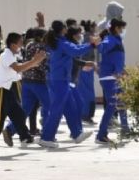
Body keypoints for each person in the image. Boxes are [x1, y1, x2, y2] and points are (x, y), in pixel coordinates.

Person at [0, 32, 46, 157]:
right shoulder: (6, 55)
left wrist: (35, 61)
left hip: (7, 91)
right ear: (13, 44)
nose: (22, 44)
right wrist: (34, 60)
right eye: (20, 42)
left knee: (19, 114)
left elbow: (19, 71)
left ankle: (25, 137)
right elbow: (18, 68)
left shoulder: (12, 55)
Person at [38, 20, 98, 149]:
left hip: (60, 79)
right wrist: (92, 45)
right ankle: (46, 137)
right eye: (65, 27)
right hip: (60, 80)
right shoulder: (61, 43)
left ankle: (77, 134)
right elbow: (76, 51)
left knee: (70, 106)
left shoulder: (57, 41)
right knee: (56, 109)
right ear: (63, 29)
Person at [3, 28, 51, 145]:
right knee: (50, 106)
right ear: (41, 37)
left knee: (25, 109)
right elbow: (39, 64)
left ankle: (10, 129)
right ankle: (47, 135)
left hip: (26, 80)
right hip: (38, 81)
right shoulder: (41, 47)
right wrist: (49, 70)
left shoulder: (29, 44)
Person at [96, 19, 130, 144]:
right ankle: (101, 135)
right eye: (122, 28)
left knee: (122, 104)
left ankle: (126, 130)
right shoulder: (110, 40)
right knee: (111, 105)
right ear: (116, 28)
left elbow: (117, 59)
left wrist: (123, 71)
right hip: (109, 78)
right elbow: (101, 47)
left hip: (116, 77)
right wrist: (97, 41)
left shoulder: (117, 40)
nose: (123, 30)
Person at [79, 20, 98, 124]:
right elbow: (86, 54)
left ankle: (86, 114)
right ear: (91, 28)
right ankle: (87, 115)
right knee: (88, 93)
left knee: (85, 92)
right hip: (86, 68)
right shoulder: (88, 38)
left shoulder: (85, 37)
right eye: (95, 27)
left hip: (85, 68)